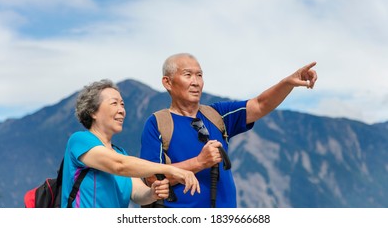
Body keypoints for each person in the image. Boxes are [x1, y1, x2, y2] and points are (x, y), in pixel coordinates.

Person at [140, 53, 317, 208]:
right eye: (188, 75)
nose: (196, 82)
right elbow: (152, 179)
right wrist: (199, 162)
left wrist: (288, 83)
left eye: (199, 75)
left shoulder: (218, 115)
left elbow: (259, 104)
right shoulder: (158, 123)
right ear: (168, 82)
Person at [61, 79, 200, 208]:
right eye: (114, 103)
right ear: (93, 112)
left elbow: (137, 194)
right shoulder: (80, 140)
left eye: (122, 104)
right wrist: (170, 169)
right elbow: (118, 165)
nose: (121, 110)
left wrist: (152, 193)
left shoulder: (121, 154)